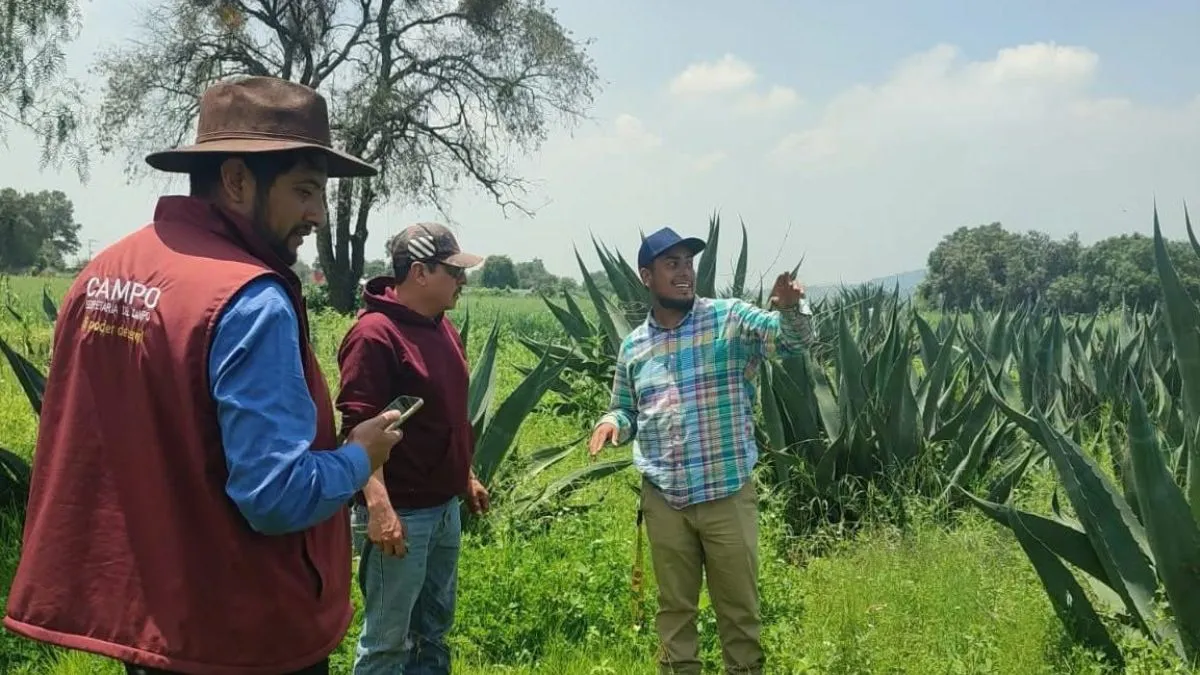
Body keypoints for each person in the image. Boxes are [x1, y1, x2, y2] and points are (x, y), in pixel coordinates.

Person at [3, 76, 406, 675]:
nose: (318, 214)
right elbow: (275, 495)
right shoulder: (249, 297)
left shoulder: (104, 272)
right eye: (304, 191)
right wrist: (358, 456)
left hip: (154, 621)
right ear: (239, 180)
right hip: (244, 632)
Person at [588, 226, 813, 675]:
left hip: (726, 495)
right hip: (665, 501)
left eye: (688, 263)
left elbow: (790, 341)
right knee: (674, 615)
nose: (684, 272)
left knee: (740, 614)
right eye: (672, 264)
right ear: (646, 276)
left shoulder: (729, 319)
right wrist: (612, 421)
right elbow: (626, 408)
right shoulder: (634, 346)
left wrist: (791, 310)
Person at [335, 222, 490, 675]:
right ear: (419, 272)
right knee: (387, 642)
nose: (462, 281)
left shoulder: (443, 328)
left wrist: (465, 474)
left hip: (443, 510)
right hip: (401, 514)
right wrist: (380, 509)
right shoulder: (374, 336)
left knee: (433, 632)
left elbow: (447, 418)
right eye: (453, 271)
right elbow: (357, 432)